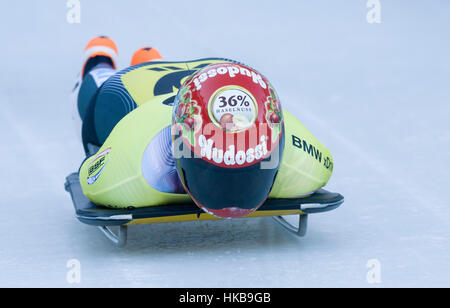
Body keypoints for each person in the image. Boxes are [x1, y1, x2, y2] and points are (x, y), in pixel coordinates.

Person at [72, 36, 334, 219]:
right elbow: (89, 174)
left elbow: (88, 176)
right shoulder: (131, 169)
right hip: (130, 91)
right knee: (94, 104)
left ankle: (150, 59)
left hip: (220, 73)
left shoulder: (302, 160)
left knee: (149, 70)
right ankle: (99, 59)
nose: (232, 199)